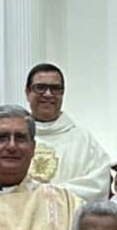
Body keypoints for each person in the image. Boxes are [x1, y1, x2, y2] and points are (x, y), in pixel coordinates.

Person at [25, 63, 111, 203]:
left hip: (68, 223)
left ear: (62, 94)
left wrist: (44, 193)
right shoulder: (14, 139)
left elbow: (98, 187)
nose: (48, 94)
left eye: (55, 89)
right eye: (40, 88)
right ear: (28, 93)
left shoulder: (84, 141)